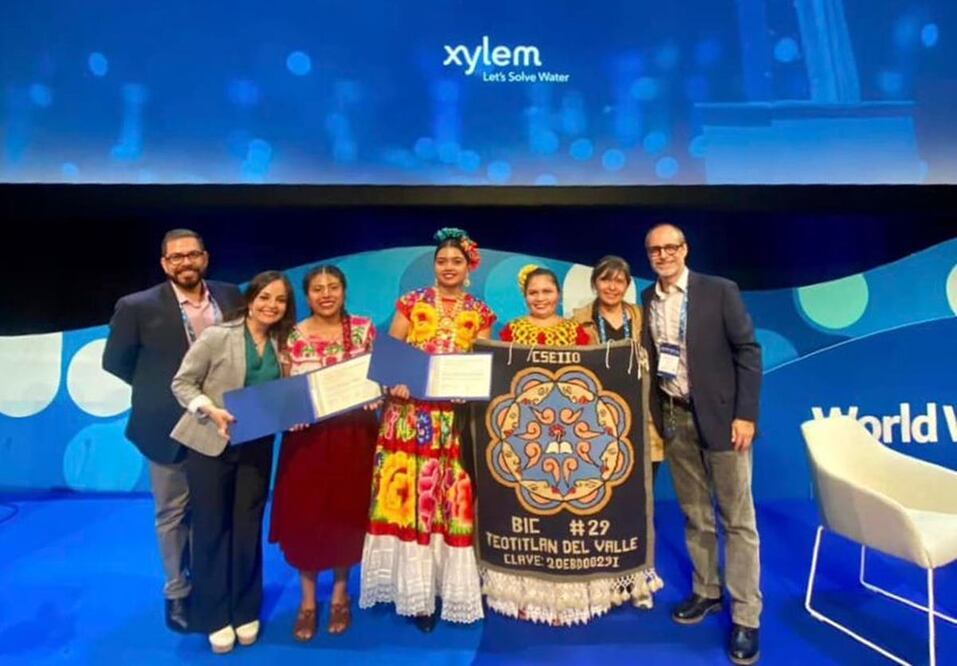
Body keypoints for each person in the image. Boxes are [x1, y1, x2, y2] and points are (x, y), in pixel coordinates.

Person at [486, 265, 662, 624]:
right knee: (533, 511)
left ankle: (569, 594)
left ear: (559, 295)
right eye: (533, 293)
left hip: (575, 441)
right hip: (527, 441)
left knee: (568, 514)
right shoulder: (510, 331)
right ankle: (531, 594)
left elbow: (594, 378)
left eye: (547, 292)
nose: (540, 299)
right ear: (525, 297)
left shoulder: (576, 331)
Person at [102, 229, 242, 633]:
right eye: (176, 257)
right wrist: (160, 392)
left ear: (205, 258)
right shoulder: (136, 307)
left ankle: (213, 584)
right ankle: (178, 592)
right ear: (165, 264)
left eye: (192, 255)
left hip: (224, 423)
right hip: (166, 426)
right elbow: (116, 362)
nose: (185, 263)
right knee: (172, 512)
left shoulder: (231, 297)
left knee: (215, 509)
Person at [359, 227, 495, 632]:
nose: (448, 267)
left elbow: (481, 365)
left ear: (467, 265)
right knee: (410, 499)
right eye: (441, 261)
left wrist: (466, 392)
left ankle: (445, 588)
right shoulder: (412, 303)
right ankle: (414, 593)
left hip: (454, 423)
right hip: (409, 418)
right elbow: (392, 351)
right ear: (434, 265)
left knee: (447, 502)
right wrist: (396, 380)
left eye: (456, 261)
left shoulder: (480, 313)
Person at [641, 224, 763, 665]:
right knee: (695, 515)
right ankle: (707, 591)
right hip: (676, 418)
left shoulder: (719, 290)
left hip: (725, 421)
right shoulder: (646, 299)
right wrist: (659, 416)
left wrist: (745, 414)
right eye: (654, 250)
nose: (663, 255)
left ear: (685, 249)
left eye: (670, 247)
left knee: (737, 520)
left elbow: (748, 352)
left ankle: (747, 616)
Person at [170, 271, 295, 654]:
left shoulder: (284, 344)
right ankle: (214, 614)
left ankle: (245, 609)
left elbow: (286, 394)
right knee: (210, 529)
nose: (271, 305)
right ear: (250, 298)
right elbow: (182, 383)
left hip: (256, 447)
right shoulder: (217, 336)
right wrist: (210, 409)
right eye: (265, 297)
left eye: (280, 300)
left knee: (246, 527)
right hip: (210, 443)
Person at [268, 265, 379, 640]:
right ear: (308, 295)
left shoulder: (363, 329)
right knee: (306, 517)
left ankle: (340, 595)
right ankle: (307, 602)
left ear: (344, 291)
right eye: (318, 289)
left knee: (346, 514)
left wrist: (373, 396)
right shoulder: (291, 335)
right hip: (307, 442)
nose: (326, 294)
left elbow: (378, 379)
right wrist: (290, 412)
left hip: (354, 438)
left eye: (333, 287)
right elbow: (284, 387)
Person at [571, 255, 665, 477]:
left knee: (644, 480)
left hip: (642, 411)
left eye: (619, 281)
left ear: (627, 285)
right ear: (595, 283)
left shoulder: (643, 317)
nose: (612, 287)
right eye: (605, 280)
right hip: (596, 415)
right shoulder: (578, 321)